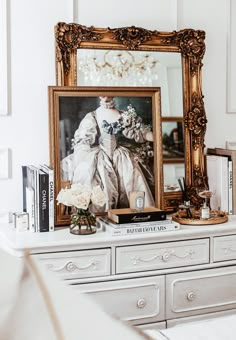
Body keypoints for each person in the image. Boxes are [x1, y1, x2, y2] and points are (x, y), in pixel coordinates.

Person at [61, 96, 155, 212]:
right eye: (103, 94)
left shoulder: (123, 115)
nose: (106, 96)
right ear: (99, 96)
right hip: (101, 158)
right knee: (100, 187)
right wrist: (84, 160)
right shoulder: (93, 115)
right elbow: (83, 140)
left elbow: (139, 132)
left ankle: (134, 214)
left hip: (121, 157)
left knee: (131, 181)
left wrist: (154, 136)